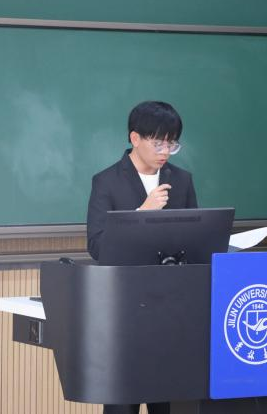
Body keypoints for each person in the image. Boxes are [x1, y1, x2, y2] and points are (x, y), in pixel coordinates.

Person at [86, 100, 198, 414]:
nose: (166, 151)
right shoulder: (107, 181)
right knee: (123, 402)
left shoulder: (182, 180)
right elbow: (97, 246)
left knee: (170, 402)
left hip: (171, 311)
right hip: (125, 311)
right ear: (135, 138)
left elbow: (195, 238)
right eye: (158, 142)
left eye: (172, 143)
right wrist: (141, 213)